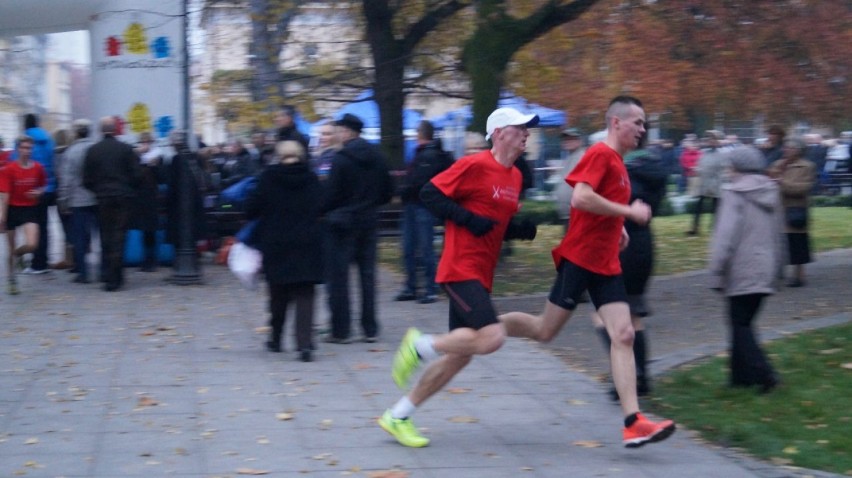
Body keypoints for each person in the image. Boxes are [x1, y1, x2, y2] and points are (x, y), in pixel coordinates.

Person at [498, 96, 676, 448]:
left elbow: (598, 206)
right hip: (580, 259)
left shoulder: (620, 163)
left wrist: (617, 226)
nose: (642, 129)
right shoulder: (599, 155)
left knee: (623, 334)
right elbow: (581, 197)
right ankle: (483, 326)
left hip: (605, 262)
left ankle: (633, 422)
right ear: (616, 123)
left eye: (643, 124)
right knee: (543, 330)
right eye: (637, 122)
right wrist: (626, 212)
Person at [378, 106, 539, 448]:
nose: (527, 133)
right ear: (498, 133)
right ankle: (420, 345)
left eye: (528, 129)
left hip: (482, 273)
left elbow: (491, 222)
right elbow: (429, 194)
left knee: (461, 354)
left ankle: (398, 415)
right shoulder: (474, 164)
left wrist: (517, 230)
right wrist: (465, 220)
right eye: (520, 128)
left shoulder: (515, 177)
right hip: (458, 268)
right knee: (492, 338)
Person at [591, 129, 669, 399]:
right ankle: (642, 376)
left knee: (605, 314)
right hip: (644, 244)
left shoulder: (621, 170)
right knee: (631, 314)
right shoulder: (656, 170)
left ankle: (627, 376)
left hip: (619, 244)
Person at [709, 145, 784, 393]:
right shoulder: (771, 191)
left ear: (737, 168)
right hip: (765, 266)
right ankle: (740, 377)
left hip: (741, 267)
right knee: (742, 322)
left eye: (730, 166)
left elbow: (725, 237)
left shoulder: (734, 193)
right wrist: (779, 268)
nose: (727, 171)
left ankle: (764, 374)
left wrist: (716, 268)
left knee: (740, 323)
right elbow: (778, 234)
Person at [245, 140, 324, 362]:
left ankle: (276, 337)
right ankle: (305, 343)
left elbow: (252, 208)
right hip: (307, 241)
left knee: (278, 292)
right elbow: (322, 205)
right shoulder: (311, 178)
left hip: (276, 241)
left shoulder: (268, 178)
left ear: (279, 156)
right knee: (305, 293)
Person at [321, 113, 393, 343]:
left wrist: (328, 210)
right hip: (369, 222)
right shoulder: (378, 157)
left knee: (339, 278)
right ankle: (370, 328)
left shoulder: (340, 159)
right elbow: (387, 191)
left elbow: (331, 194)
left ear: (347, 132)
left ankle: (341, 330)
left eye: (339, 130)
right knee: (367, 276)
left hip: (343, 225)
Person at [395, 120, 454, 304]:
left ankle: (422, 288)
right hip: (422, 206)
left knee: (416, 248)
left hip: (419, 205)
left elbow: (417, 182)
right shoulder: (435, 154)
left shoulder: (426, 155)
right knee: (420, 248)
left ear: (420, 134)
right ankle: (424, 288)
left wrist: (401, 193)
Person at [83, 117, 141, 292]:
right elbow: (137, 175)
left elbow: (86, 179)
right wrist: (128, 188)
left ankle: (109, 275)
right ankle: (117, 276)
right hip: (122, 197)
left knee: (105, 236)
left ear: (100, 131)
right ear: (116, 130)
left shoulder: (93, 151)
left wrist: (98, 190)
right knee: (119, 235)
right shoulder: (125, 149)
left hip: (103, 198)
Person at [0, 136, 47, 295]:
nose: (27, 151)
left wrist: (38, 192)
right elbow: (4, 195)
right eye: (24, 148)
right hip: (12, 208)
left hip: (29, 209)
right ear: (18, 149)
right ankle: (12, 279)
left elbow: (42, 186)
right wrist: (2, 218)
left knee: (33, 244)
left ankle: (19, 254)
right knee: (9, 248)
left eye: (29, 148)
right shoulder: (8, 169)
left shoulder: (38, 168)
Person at [768, 137, 816, 288]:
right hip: (777, 208)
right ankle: (777, 272)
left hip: (795, 208)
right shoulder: (778, 165)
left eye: (790, 148)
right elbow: (769, 179)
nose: (786, 150)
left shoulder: (807, 167)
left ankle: (799, 274)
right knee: (776, 242)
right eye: (785, 148)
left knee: (797, 242)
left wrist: (782, 183)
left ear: (799, 150)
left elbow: (803, 188)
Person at [58, 119, 98, 284]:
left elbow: (66, 180)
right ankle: (103, 270)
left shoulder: (71, 152)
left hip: (78, 200)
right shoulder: (95, 149)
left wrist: (63, 201)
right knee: (100, 235)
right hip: (97, 198)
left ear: (76, 133)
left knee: (79, 237)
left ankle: (83, 272)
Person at [19, 114, 55, 274]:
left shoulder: (23, 142)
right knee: (44, 226)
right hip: (47, 189)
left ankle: (36, 263)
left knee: (32, 227)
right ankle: (43, 261)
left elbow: (17, 163)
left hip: (30, 191)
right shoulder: (49, 140)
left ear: (25, 125)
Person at [132, 132, 165, 272]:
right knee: (144, 231)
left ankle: (151, 260)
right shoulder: (136, 157)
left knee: (150, 230)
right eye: (143, 142)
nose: (145, 145)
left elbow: (161, 177)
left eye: (147, 142)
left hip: (150, 197)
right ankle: (147, 259)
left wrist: (153, 166)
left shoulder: (158, 158)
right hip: (141, 197)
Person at [686, 130, 727, 236]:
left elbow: (725, 170)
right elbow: (701, 166)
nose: (710, 140)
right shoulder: (704, 153)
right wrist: (696, 170)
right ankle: (694, 228)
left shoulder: (723, 154)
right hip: (704, 184)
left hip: (716, 185)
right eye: (709, 138)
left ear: (718, 140)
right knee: (698, 207)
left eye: (713, 139)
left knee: (716, 209)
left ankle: (716, 229)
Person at [553, 127, 586, 232]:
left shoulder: (582, 157)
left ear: (580, 141)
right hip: (568, 214)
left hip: (577, 214)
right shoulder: (569, 158)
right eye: (565, 139)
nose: (567, 141)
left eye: (571, 139)